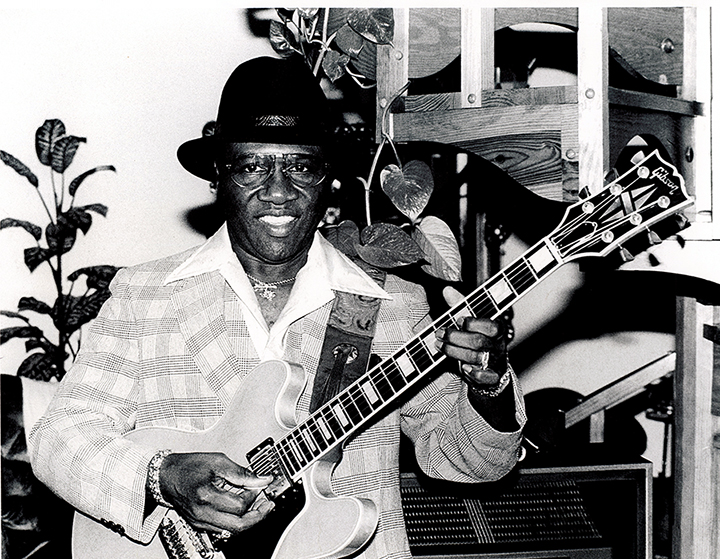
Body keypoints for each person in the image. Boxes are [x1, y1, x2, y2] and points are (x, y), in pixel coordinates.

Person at [29, 56, 526, 559]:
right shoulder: (146, 295)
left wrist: (490, 388)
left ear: (326, 178)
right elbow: (59, 439)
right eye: (251, 166)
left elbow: (471, 464)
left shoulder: (391, 305)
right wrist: (164, 477)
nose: (278, 191)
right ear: (219, 177)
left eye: (300, 166)